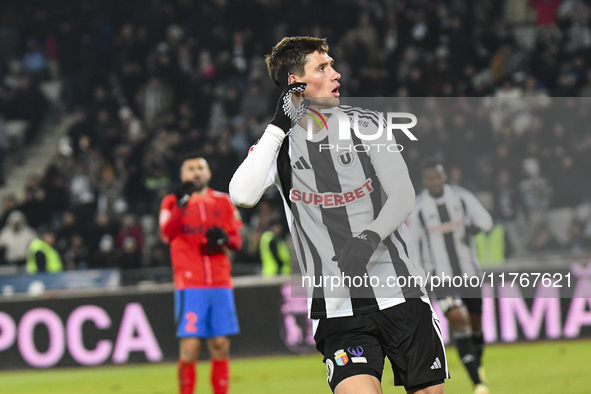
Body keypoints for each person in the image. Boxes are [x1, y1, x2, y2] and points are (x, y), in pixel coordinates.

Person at [230, 37, 447, 394]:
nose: (336, 73)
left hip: (401, 291)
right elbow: (242, 194)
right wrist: (277, 125)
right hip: (337, 306)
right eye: (323, 67)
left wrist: (370, 236)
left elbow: (403, 193)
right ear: (295, 82)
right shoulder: (278, 145)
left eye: (331, 64)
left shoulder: (368, 123)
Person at [407, 158, 493, 394]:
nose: (435, 181)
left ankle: (477, 365)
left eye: (438, 176)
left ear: (445, 177)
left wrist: (471, 230)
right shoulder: (419, 207)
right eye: (430, 178)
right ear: (424, 181)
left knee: (475, 326)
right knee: (459, 321)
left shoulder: (462, 197)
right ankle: (478, 383)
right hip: (441, 278)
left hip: (469, 272)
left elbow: (486, 222)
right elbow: (412, 242)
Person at [159, 154, 243, 394]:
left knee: (220, 344)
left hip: (219, 281)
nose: (196, 172)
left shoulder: (224, 201)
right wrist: (180, 206)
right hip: (190, 282)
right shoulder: (171, 202)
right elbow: (167, 233)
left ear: (208, 173)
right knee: (191, 346)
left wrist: (224, 239)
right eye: (191, 169)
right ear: (183, 176)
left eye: (200, 168)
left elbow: (237, 240)